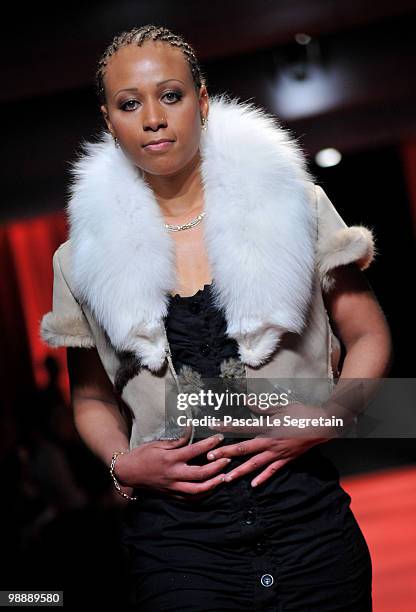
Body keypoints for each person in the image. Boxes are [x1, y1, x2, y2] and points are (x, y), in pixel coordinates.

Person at [40, 24, 393, 611]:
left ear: (202, 101)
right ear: (109, 120)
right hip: (177, 546)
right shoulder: (81, 261)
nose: (153, 117)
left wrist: (330, 414)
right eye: (130, 104)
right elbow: (91, 399)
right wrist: (122, 463)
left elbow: (368, 332)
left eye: (171, 95)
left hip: (309, 525)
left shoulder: (293, 206)